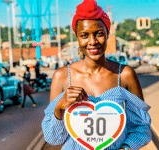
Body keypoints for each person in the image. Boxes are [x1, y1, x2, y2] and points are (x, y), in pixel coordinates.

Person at [41, 0, 151, 149]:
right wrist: (59, 108)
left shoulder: (124, 75)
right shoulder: (62, 76)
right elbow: (54, 138)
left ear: (107, 34)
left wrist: (126, 148)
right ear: (77, 38)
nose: (92, 42)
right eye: (84, 35)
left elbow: (140, 128)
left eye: (99, 34)